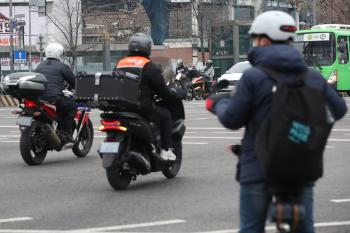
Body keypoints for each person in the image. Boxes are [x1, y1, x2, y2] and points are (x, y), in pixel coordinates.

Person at [206, 11, 347, 233]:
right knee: (305, 227)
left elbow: (232, 119)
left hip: (259, 167)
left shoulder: (254, 77)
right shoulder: (313, 77)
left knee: (251, 228)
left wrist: (217, 104)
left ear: (263, 40)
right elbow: (339, 110)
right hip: (302, 167)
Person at [116, 33, 183, 161]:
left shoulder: (121, 63)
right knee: (166, 116)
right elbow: (163, 92)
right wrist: (175, 94)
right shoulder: (150, 66)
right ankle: (166, 150)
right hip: (141, 107)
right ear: (147, 48)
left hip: (121, 107)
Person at [36, 42, 76, 147]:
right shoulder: (62, 66)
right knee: (72, 108)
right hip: (54, 98)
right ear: (59, 54)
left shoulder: (40, 66)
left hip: (39, 98)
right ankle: (66, 135)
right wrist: (73, 88)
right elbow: (73, 81)